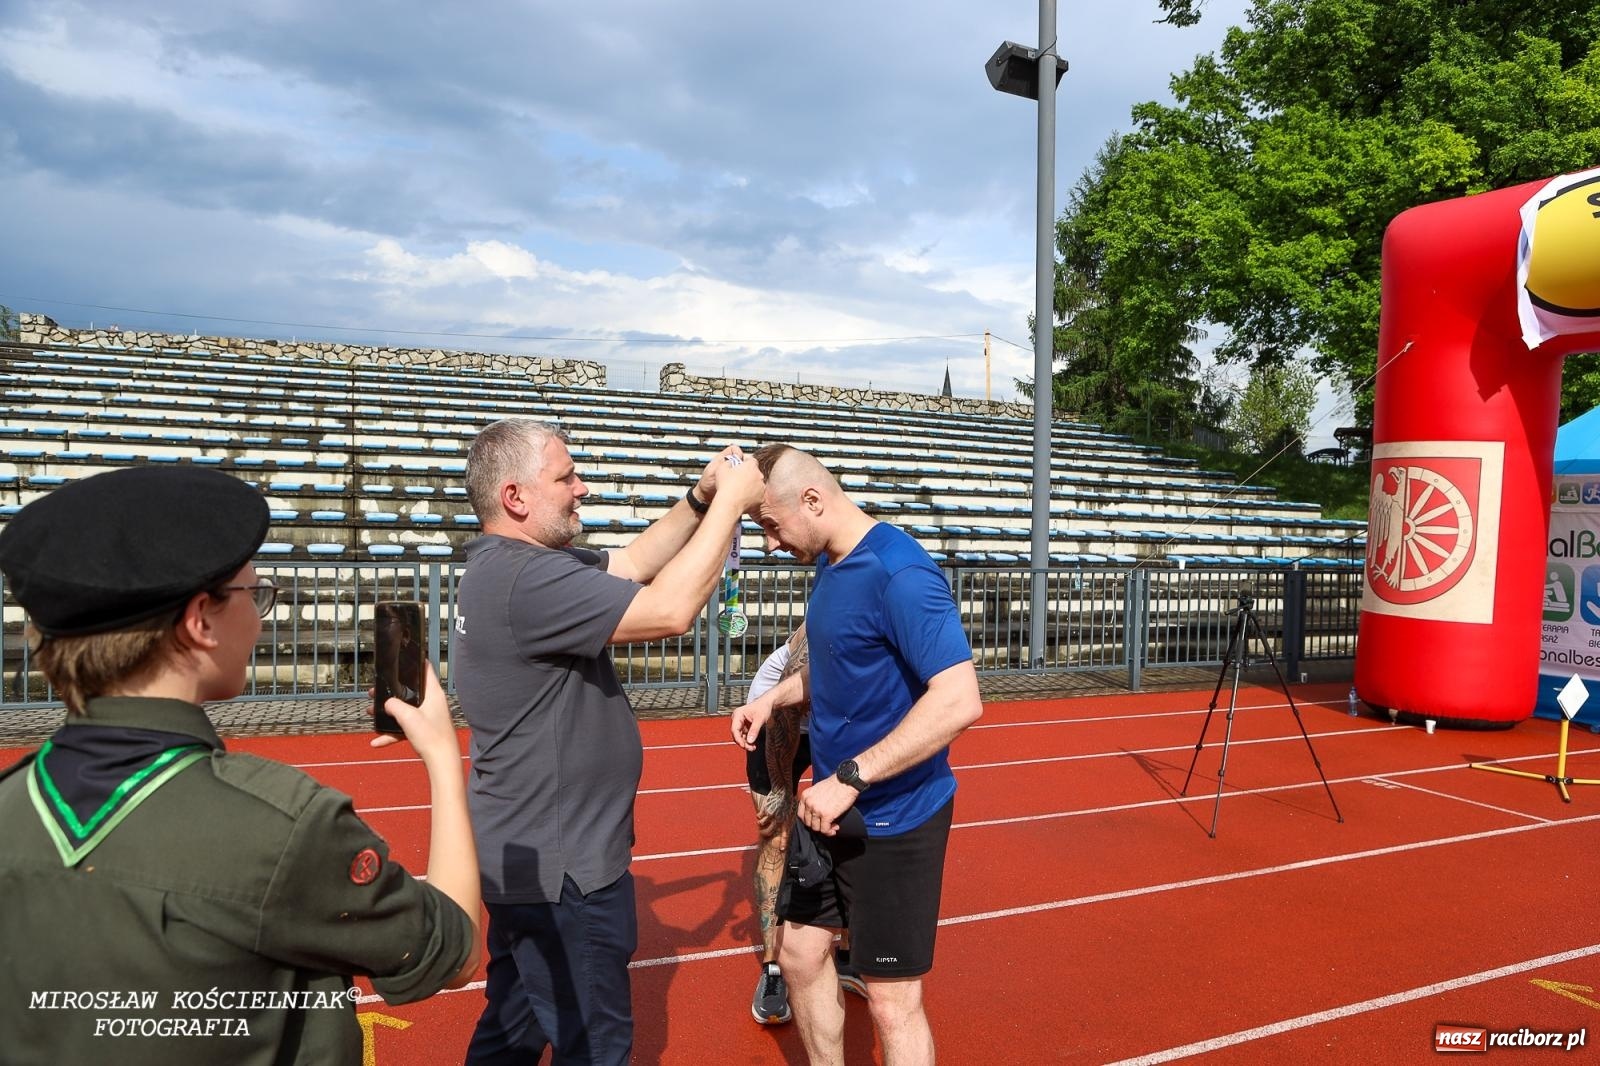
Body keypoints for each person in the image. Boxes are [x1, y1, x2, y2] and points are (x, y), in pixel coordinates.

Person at [0, 466, 481, 1066]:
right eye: (256, 595)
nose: (260, 619)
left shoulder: (11, 806)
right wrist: (441, 754)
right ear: (201, 620)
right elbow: (457, 953)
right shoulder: (281, 826)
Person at [454, 418, 765, 1065]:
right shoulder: (526, 580)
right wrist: (734, 503)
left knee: (514, 1027)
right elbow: (668, 609)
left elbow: (632, 563)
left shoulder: (518, 565)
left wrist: (702, 497)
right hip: (566, 872)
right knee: (595, 1046)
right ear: (515, 497)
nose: (582, 488)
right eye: (565, 477)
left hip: (529, 858)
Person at [731, 444, 982, 1066]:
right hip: (829, 806)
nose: (770, 543)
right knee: (798, 953)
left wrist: (851, 776)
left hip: (894, 816)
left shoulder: (900, 571)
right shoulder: (832, 563)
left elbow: (959, 699)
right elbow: (841, 659)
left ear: (812, 500)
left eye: (771, 525)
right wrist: (774, 700)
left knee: (893, 1003)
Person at [745, 624, 865, 1026]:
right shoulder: (817, 638)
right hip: (779, 717)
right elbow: (783, 717)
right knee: (777, 838)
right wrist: (783, 799)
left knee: (853, 828)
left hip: (836, 723)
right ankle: (772, 969)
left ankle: (850, 954)